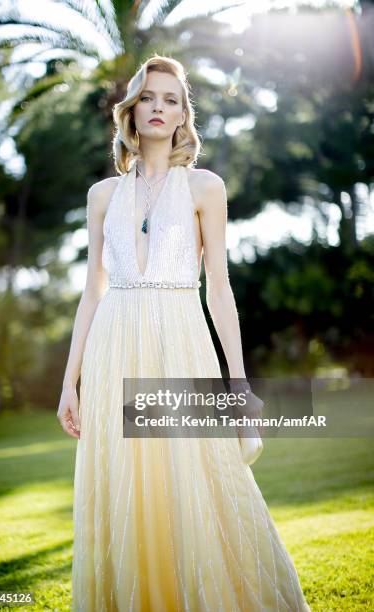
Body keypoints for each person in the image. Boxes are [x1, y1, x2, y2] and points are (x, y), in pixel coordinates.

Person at [57, 54, 311, 612]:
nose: (158, 107)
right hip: (114, 347)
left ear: (182, 117)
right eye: (148, 96)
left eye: (171, 99)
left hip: (180, 340)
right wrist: (69, 383)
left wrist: (238, 384)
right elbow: (91, 293)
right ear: (131, 109)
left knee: (201, 481)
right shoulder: (103, 195)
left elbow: (219, 289)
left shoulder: (204, 187)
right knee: (125, 491)